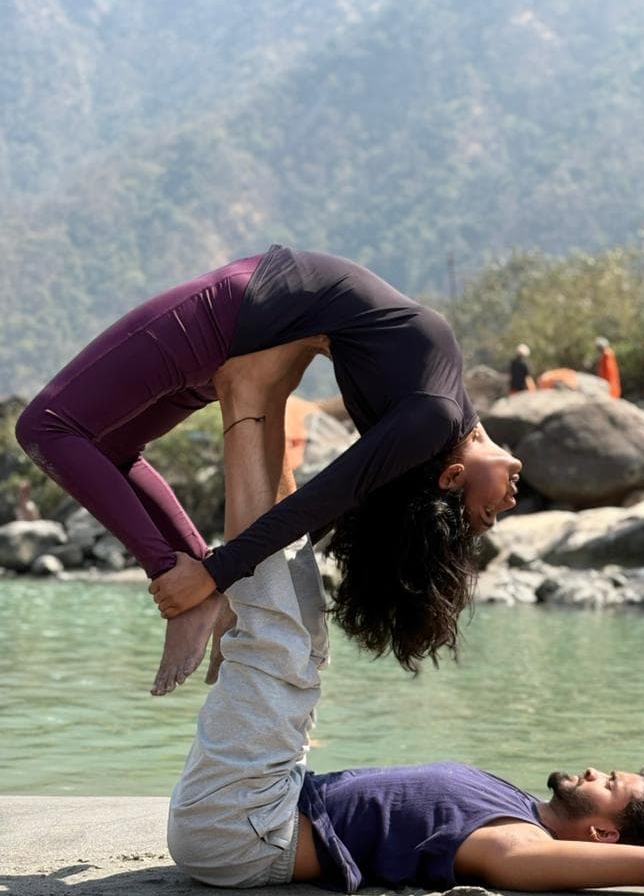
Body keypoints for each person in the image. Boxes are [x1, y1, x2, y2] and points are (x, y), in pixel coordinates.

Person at [167, 416, 644, 896]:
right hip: (273, 795)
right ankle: (261, 435)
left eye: (609, 785)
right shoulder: (519, 804)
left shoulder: (516, 848)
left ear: (598, 836)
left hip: (243, 828)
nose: (597, 769)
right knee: (299, 608)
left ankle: (250, 400)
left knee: (277, 638)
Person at [16, 246, 521, 696]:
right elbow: (325, 506)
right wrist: (219, 576)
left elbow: (319, 501)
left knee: (45, 427)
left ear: (453, 479)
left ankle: (177, 581)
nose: (510, 502)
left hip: (231, 315)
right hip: (245, 331)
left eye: (488, 514)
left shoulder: (434, 416)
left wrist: (214, 575)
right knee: (116, 447)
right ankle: (190, 589)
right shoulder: (441, 411)